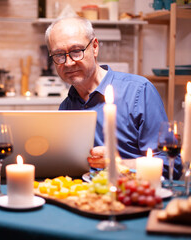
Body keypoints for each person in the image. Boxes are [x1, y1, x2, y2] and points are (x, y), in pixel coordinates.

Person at [45, 16, 183, 179]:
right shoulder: (65, 107)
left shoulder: (139, 91)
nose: (68, 63)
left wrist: (118, 163)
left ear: (95, 47)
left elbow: (171, 165)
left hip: (131, 195)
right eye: (59, 55)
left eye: (76, 51)